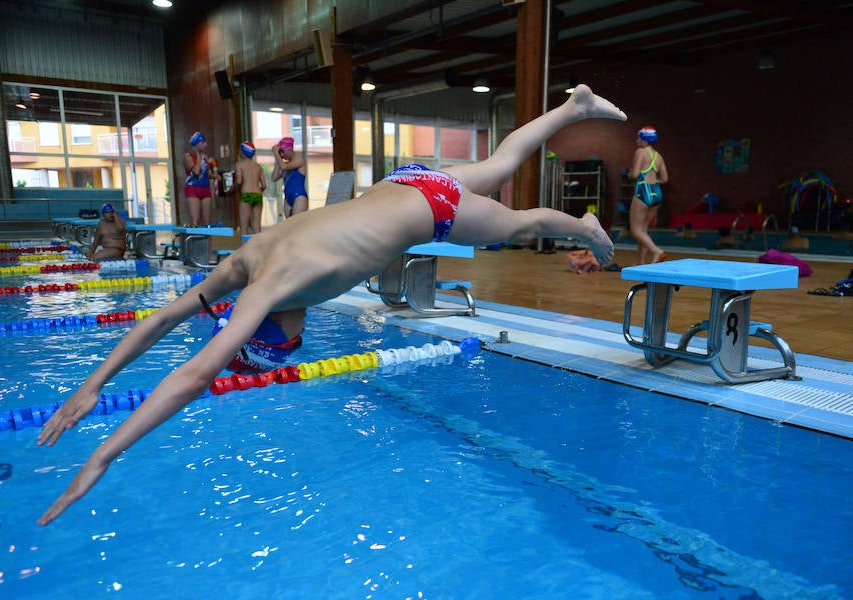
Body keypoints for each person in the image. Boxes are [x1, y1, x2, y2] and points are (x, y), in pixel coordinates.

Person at [36, 84, 625, 526]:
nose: (300, 335)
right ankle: (572, 108)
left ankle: (587, 228)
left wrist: (106, 455)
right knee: (499, 163)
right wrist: (93, 383)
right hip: (403, 182)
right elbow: (165, 317)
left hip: (431, 209)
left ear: (278, 331)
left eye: (291, 342)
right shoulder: (248, 259)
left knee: (524, 222)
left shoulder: (272, 288)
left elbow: (194, 375)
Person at [628, 126, 669, 264]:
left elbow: (635, 174)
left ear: (644, 139)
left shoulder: (640, 152)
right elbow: (665, 179)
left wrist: (629, 173)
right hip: (656, 192)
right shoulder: (659, 156)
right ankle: (640, 263)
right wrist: (653, 180)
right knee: (643, 230)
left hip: (643, 191)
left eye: (639, 137)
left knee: (635, 230)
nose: (637, 140)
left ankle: (657, 251)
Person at [234, 141, 269, 236]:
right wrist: (258, 190)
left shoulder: (239, 165)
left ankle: (243, 250)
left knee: (244, 228)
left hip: (247, 194)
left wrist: (232, 188)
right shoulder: (258, 166)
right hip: (258, 195)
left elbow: (239, 181)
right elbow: (264, 185)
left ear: (242, 152)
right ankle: (259, 249)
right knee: (257, 226)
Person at [271, 136, 308, 218]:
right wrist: (278, 158)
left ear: (289, 149)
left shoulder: (299, 161)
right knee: (289, 227)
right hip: (288, 198)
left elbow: (284, 167)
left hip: (299, 197)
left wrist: (276, 154)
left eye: (282, 152)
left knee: (296, 225)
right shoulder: (285, 164)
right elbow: (274, 178)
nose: (282, 155)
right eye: (280, 152)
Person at [183, 131, 214, 226]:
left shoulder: (205, 157)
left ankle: (208, 241)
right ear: (196, 143)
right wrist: (198, 156)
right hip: (192, 190)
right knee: (195, 222)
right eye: (203, 142)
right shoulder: (187, 157)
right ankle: (195, 240)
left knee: (207, 223)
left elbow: (206, 173)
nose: (206, 144)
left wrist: (215, 176)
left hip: (205, 189)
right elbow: (196, 172)